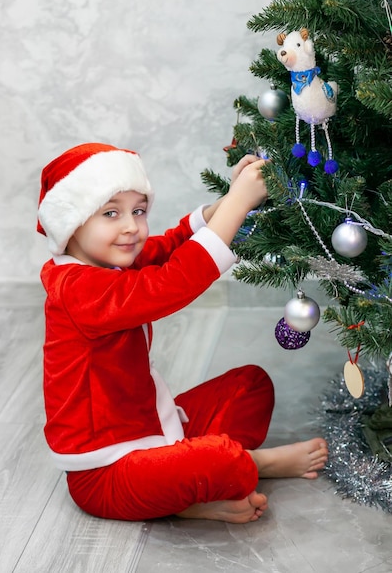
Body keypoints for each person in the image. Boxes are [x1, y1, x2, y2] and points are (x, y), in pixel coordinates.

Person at [37, 142, 328, 524]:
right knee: (223, 461)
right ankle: (248, 465)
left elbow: (170, 246)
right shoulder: (75, 288)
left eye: (138, 211)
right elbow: (173, 283)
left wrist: (226, 201)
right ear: (71, 224)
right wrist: (240, 203)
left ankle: (192, 485)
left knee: (250, 385)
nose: (131, 227)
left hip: (155, 428)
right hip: (104, 473)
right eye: (111, 213)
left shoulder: (108, 260)